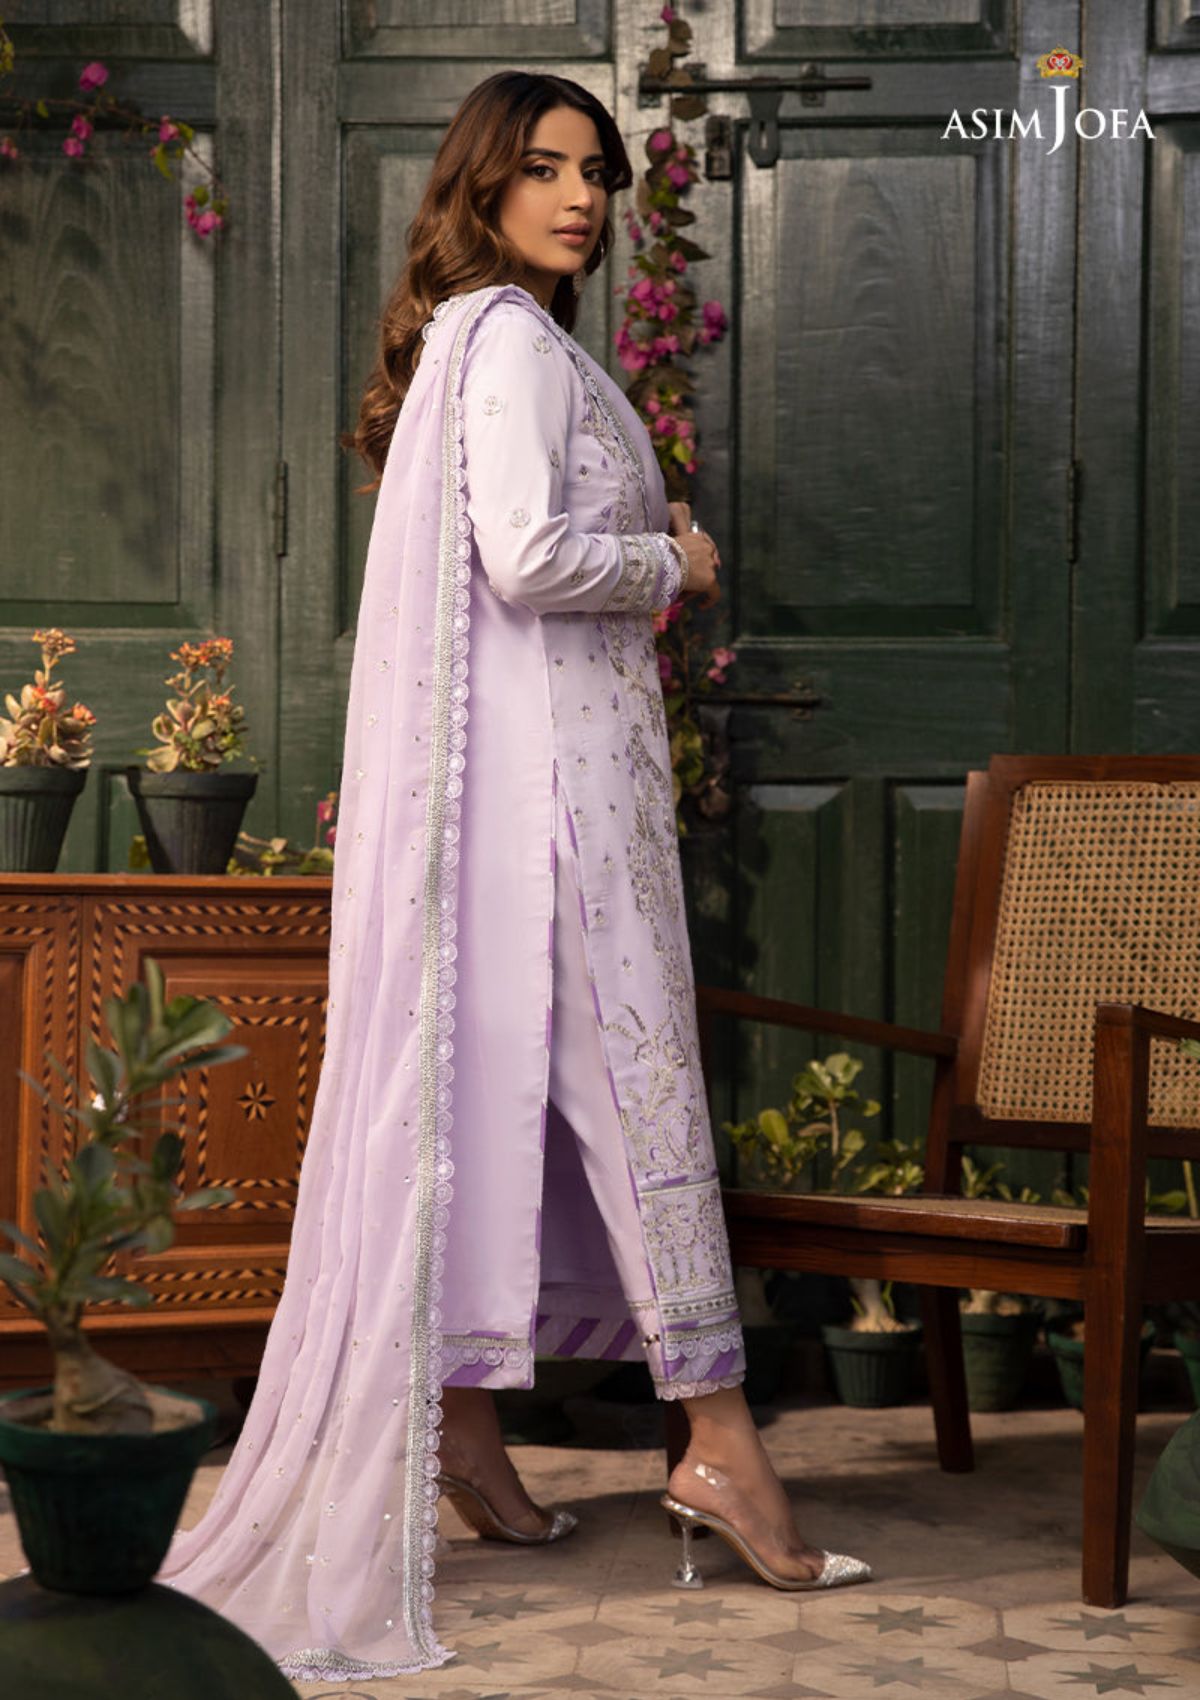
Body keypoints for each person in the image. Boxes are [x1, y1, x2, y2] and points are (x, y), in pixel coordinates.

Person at [156, 70, 869, 1683]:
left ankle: (468, 1428)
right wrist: (673, 561)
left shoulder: (503, 342)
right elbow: (531, 558)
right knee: (635, 1107)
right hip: (560, 828)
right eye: (544, 168)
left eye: (598, 172)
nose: (582, 198)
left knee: (505, 1110)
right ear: (480, 187)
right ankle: (720, 1442)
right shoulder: (510, 342)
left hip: (558, 805)